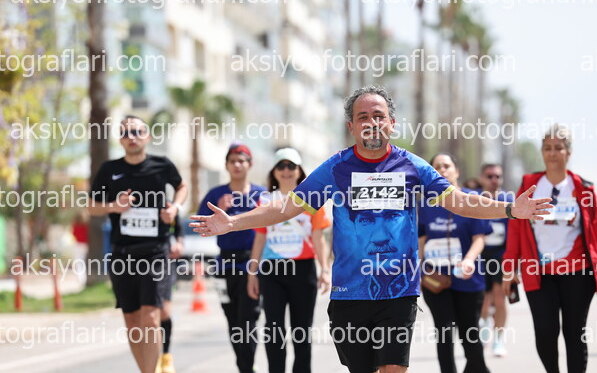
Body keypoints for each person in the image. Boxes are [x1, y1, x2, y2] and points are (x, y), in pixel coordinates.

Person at [191, 85, 552, 373]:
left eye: (378, 116)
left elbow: (457, 200)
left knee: (393, 367)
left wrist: (510, 209)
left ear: (392, 123)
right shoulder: (336, 169)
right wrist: (234, 221)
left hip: (399, 290)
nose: (371, 122)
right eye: (362, 117)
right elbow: (287, 206)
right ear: (351, 126)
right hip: (350, 293)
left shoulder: (412, 167)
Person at [89, 115, 188, 373]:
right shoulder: (109, 170)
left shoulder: (161, 165)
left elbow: (182, 187)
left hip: (155, 253)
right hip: (123, 255)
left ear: (147, 136)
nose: (131, 137)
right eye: (126, 133)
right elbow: (91, 206)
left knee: (151, 317)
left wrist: (175, 208)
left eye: (137, 132)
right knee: (132, 321)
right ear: (120, 139)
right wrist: (114, 206)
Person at [503, 124, 597, 373]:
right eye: (547, 148)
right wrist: (509, 267)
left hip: (577, 272)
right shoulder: (529, 185)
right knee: (545, 331)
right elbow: (516, 229)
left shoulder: (584, 189)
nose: (553, 153)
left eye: (559, 148)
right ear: (542, 152)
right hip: (539, 273)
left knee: (574, 331)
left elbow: (596, 233)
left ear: (569, 152)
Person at [247, 147, 331, 373]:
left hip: (303, 270)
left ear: (299, 170)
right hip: (272, 271)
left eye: (291, 166)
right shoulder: (265, 200)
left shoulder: (312, 199)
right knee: (274, 330)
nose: (286, 171)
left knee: (301, 331)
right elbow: (260, 238)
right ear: (274, 172)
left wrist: (325, 270)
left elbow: (318, 237)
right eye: (281, 166)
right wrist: (252, 273)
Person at [419, 153, 491, 373]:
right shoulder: (424, 203)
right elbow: (421, 240)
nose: (442, 170)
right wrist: (420, 270)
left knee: (470, 334)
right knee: (444, 332)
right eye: (437, 167)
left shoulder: (472, 198)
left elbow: (479, 238)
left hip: (467, 278)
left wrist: (469, 260)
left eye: (446, 166)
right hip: (435, 280)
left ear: (457, 171)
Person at [196, 143, 266, 373]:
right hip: (224, 265)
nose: (237, 165)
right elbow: (198, 223)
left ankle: (247, 367)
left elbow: (273, 225)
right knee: (233, 320)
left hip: (251, 264)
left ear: (250, 164)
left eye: (241, 161)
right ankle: (244, 366)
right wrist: (217, 210)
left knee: (248, 318)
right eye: (232, 161)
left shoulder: (261, 195)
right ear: (226, 165)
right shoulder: (216, 194)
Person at [478, 163, 513, 357]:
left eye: (497, 176)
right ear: (482, 178)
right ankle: (484, 330)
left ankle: (498, 340)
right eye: (489, 176)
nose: (493, 180)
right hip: (479, 256)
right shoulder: (474, 199)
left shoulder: (508, 200)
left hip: (501, 256)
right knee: (484, 300)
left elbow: (515, 232)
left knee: (500, 298)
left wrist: (515, 263)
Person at [157, 214, 184, 373]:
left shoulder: (169, 205)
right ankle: (152, 359)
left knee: (164, 312)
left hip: (164, 260)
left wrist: (179, 244)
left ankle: (166, 355)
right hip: (138, 260)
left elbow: (178, 230)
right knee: (146, 314)